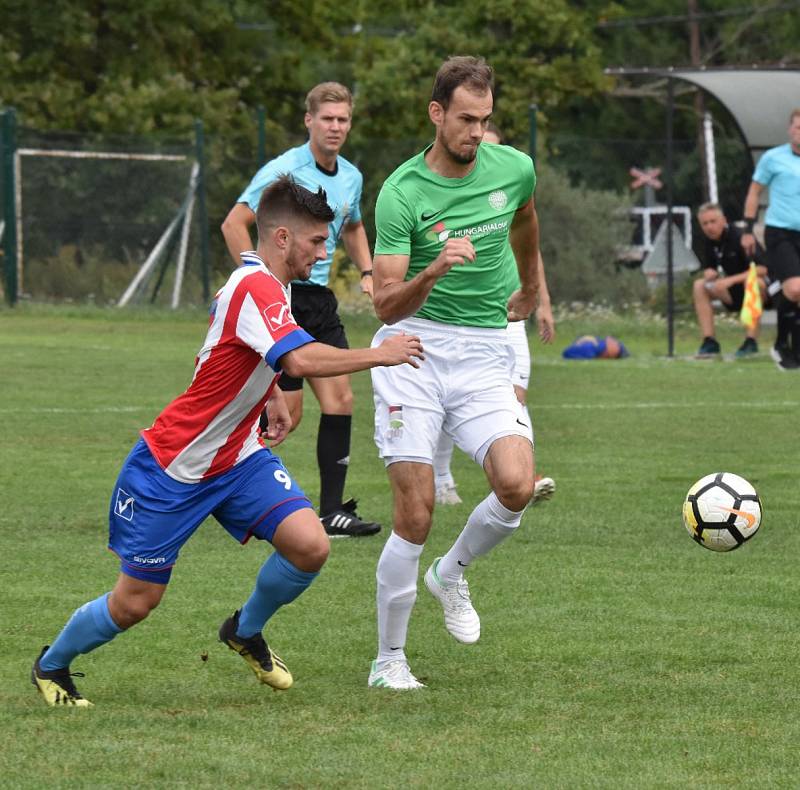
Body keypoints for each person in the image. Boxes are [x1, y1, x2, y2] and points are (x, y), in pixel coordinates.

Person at [31, 176, 424, 707]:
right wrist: (382, 353)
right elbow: (300, 359)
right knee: (136, 602)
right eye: (315, 242)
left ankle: (244, 630)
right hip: (175, 467)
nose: (323, 253)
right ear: (282, 238)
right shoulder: (255, 286)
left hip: (238, 456)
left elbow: (225, 352)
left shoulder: (269, 284)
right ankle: (52, 664)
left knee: (310, 546)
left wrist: (269, 397)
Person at [366, 56, 542, 690]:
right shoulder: (401, 192)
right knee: (415, 512)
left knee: (517, 485)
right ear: (437, 114)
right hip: (412, 349)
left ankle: (451, 573)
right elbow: (385, 304)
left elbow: (524, 220)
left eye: (485, 120)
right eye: (465, 119)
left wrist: (533, 287)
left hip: (483, 349)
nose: (476, 132)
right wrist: (434, 269)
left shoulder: (514, 168)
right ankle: (388, 661)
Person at [222, 82, 381, 536]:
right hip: (284, 299)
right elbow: (234, 223)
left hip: (320, 301)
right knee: (285, 417)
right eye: (327, 118)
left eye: (343, 119)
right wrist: (261, 280)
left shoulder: (351, 175)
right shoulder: (284, 169)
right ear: (308, 121)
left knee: (342, 400)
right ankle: (220, 483)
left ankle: (331, 512)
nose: (335, 127)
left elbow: (351, 226)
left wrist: (367, 271)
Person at [433, 122, 555, 507]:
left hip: (509, 310)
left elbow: (529, 249)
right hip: (460, 317)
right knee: (444, 399)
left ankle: (522, 476)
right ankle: (440, 478)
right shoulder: (447, 194)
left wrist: (543, 302)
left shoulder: (509, 189)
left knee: (515, 392)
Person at [741, 109, 800, 371]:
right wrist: (747, 229)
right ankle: (780, 345)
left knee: (795, 293)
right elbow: (754, 192)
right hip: (780, 232)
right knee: (796, 289)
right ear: (790, 129)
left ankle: (790, 349)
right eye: (798, 127)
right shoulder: (773, 158)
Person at [692, 202, 768, 358]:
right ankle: (709, 341)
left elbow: (762, 269)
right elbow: (710, 268)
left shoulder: (740, 237)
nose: (709, 227)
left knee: (753, 282)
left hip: (759, 292)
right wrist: (709, 273)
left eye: (713, 222)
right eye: (705, 223)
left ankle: (750, 341)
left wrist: (730, 280)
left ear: (724, 220)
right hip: (731, 293)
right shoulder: (708, 241)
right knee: (699, 285)